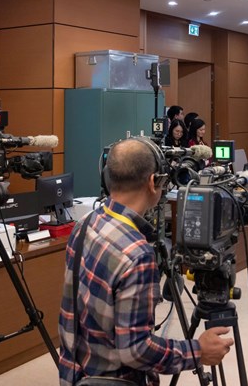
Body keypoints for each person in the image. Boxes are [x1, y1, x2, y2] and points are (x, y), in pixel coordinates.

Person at [58, 138, 233, 385]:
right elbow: (136, 350)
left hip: (75, 374)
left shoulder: (85, 223)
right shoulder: (137, 255)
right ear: (153, 182)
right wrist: (197, 351)